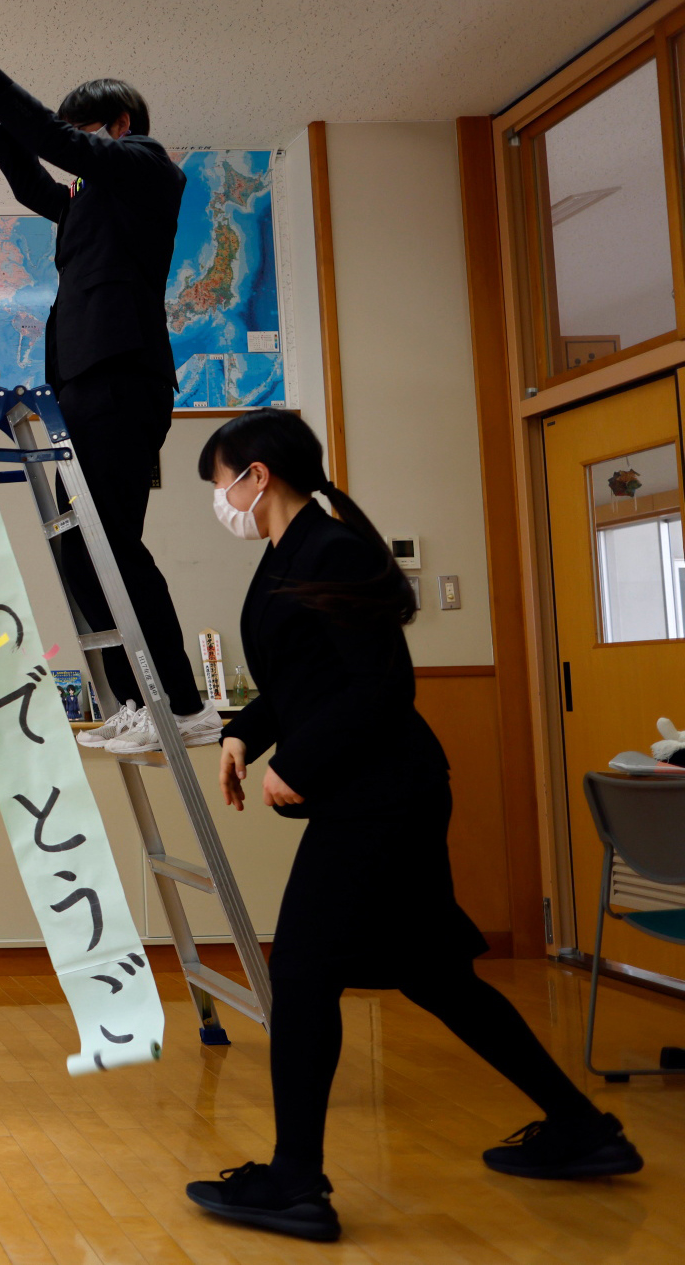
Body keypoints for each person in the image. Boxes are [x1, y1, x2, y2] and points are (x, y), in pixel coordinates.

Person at [184, 410, 641, 1242]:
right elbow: (303, 677)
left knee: (305, 974)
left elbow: (381, 687)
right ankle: (582, 1127)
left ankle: (295, 1181)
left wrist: (302, 761)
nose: (220, 501)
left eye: (220, 484)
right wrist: (247, 732)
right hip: (377, 792)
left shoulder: (336, 550)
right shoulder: (289, 554)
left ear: (257, 475)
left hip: (382, 798)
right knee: (437, 976)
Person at [0, 38, 217, 755]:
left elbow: (57, 144)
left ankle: (182, 703)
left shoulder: (149, 168)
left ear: (117, 124)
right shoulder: (92, 203)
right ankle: (136, 701)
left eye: (86, 131)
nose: (77, 144)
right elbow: (37, 189)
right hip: (86, 379)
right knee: (86, 551)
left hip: (122, 374)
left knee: (113, 543)